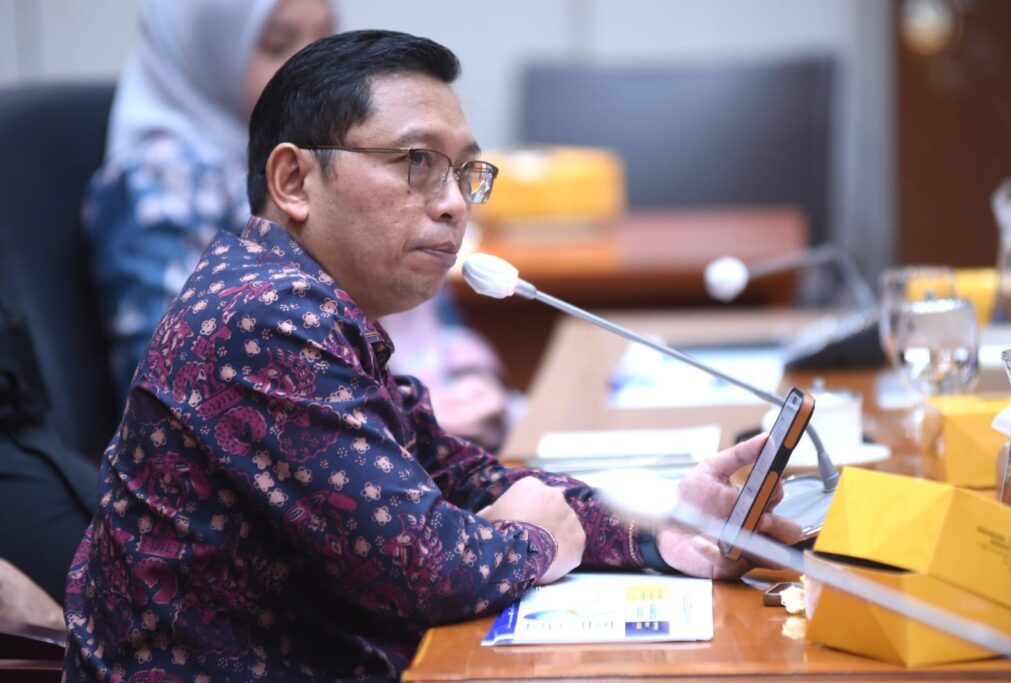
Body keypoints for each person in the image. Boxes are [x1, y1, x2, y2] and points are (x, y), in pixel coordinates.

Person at [63, 30, 802, 681]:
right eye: (417, 162)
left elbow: (460, 480)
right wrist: (533, 537)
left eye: (464, 171)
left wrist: (661, 528)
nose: (454, 203)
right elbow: (424, 568)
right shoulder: (262, 319)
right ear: (294, 181)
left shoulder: (311, 306)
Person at [86, 0, 511, 450]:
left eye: (323, 38)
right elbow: (175, 370)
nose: (307, 63)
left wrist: (472, 378)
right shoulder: (163, 182)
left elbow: (433, 308)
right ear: (289, 179)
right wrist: (399, 419)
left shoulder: (370, 162)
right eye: (278, 44)